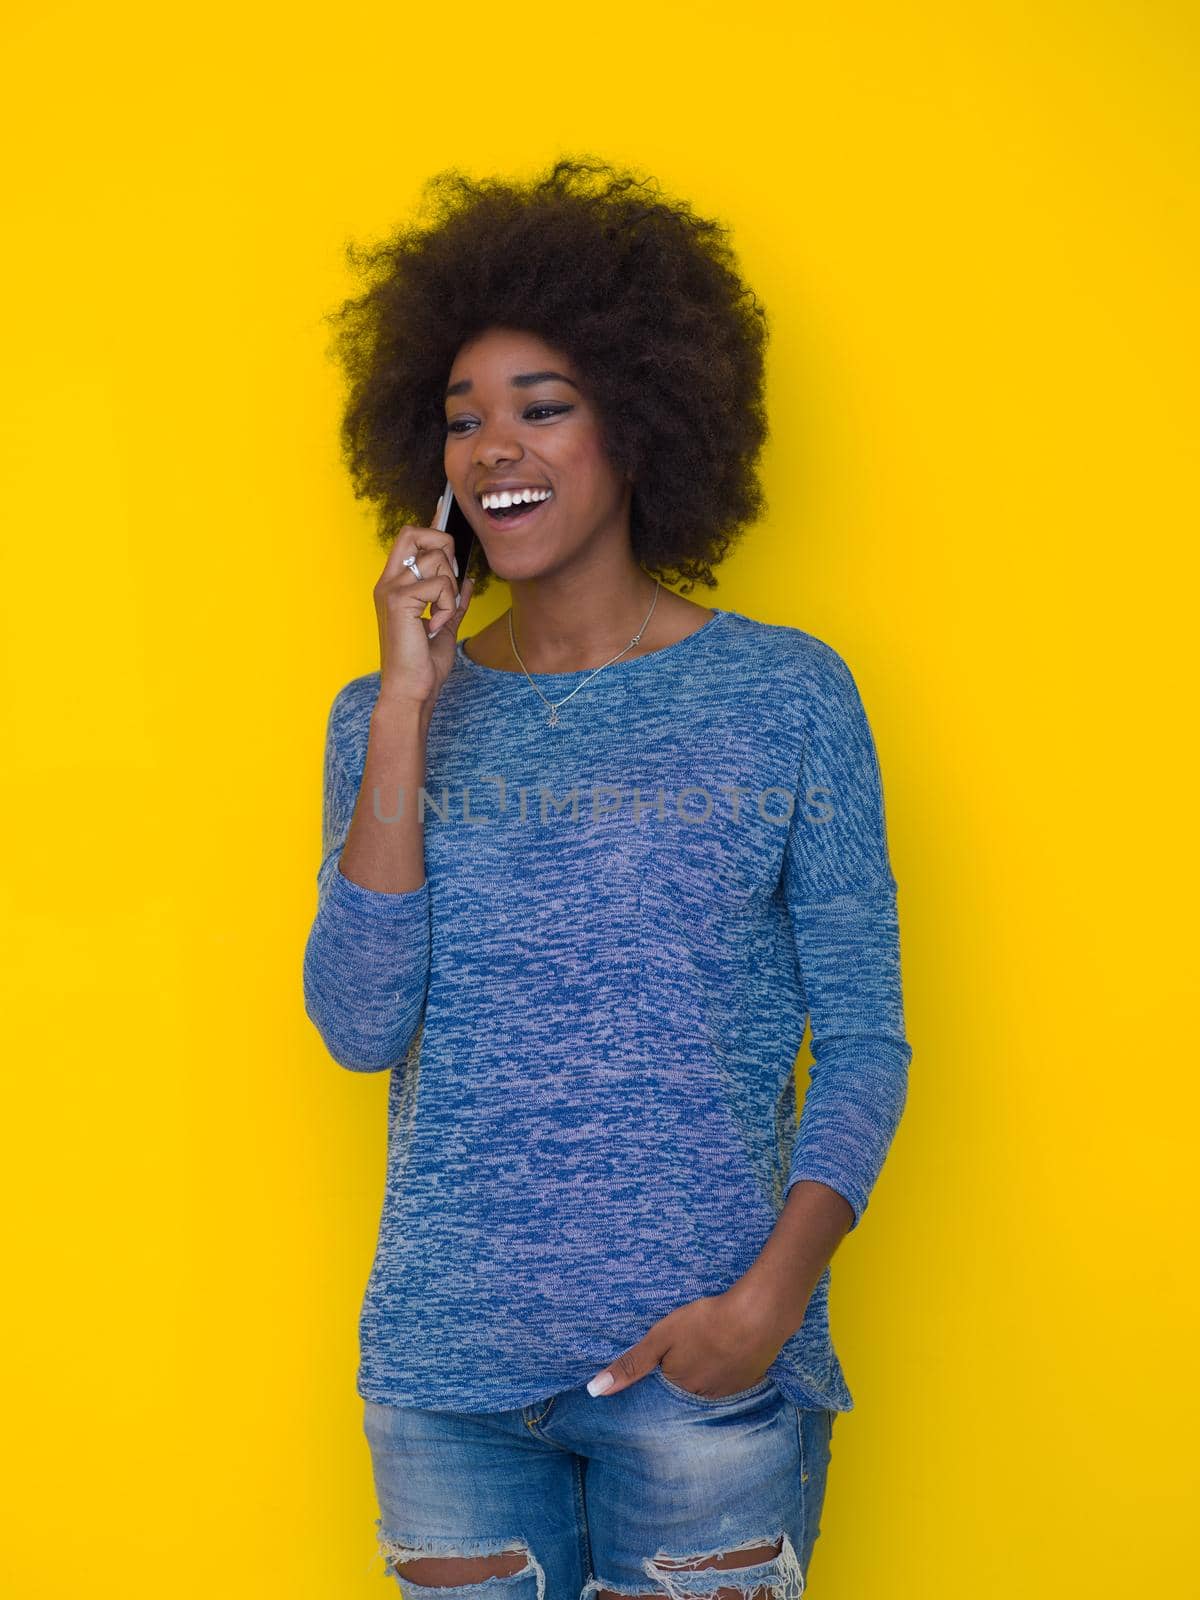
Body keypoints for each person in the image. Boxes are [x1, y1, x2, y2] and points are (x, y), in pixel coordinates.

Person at [303, 156, 912, 1600]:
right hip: (448, 1388)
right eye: (460, 421)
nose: (491, 449)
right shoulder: (382, 715)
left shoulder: (786, 697)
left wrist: (768, 1307)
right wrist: (404, 708)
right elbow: (357, 1025)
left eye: (541, 408)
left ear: (640, 423)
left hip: (698, 1387)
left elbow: (870, 1039)